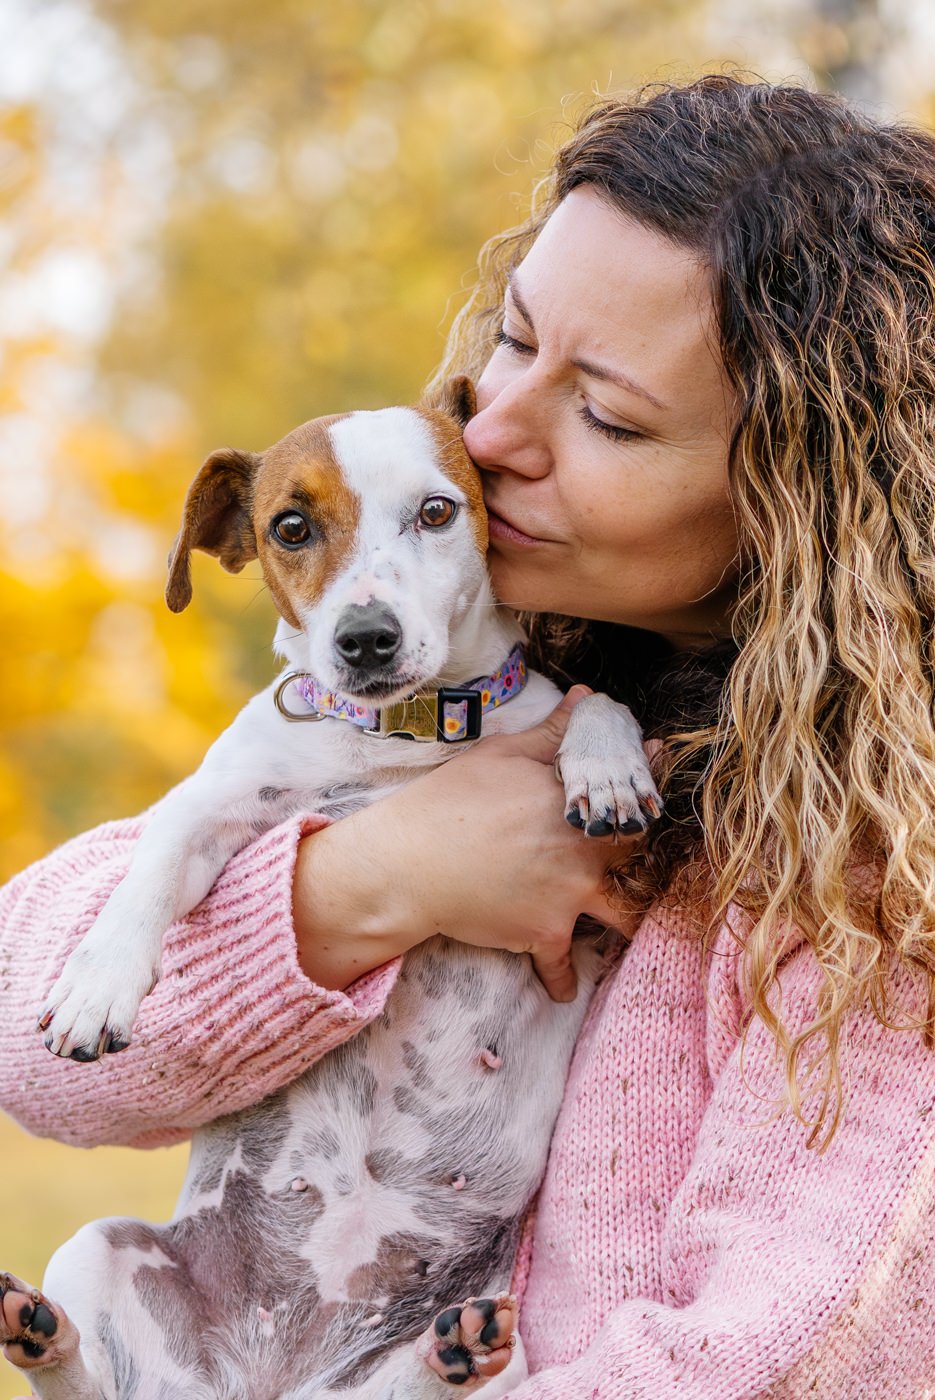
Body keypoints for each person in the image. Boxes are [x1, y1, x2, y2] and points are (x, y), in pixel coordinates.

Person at [3, 73, 935, 1396]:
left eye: (605, 415)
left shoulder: (872, 897)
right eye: (511, 337)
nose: (488, 433)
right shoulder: (457, 662)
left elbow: (779, 1355)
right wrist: (376, 881)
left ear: (796, 502)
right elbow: (25, 1029)